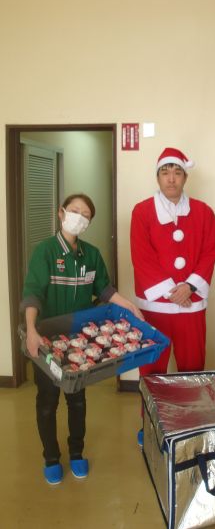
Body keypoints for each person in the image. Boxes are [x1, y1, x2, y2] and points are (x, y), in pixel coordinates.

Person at [22, 193, 144, 485]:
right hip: (47, 340)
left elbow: (104, 290)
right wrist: (31, 331)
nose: (79, 217)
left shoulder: (91, 254)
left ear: (89, 222)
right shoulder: (45, 252)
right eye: (74, 210)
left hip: (79, 342)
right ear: (61, 213)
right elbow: (33, 294)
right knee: (47, 402)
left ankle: (76, 453)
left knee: (77, 400)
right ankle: (51, 457)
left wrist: (128, 305)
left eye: (85, 214)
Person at [130, 146, 215, 374]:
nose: (171, 179)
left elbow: (210, 252)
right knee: (151, 369)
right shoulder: (141, 211)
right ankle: (152, 401)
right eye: (165, 172)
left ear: (185, 177)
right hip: (155, 306)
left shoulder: (204, 212)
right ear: (157, 177)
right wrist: (172, 292)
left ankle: (191, 401)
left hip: (192, 304)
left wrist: (190, 287)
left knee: (193, 368)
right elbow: (141, 257)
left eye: (177, 173)